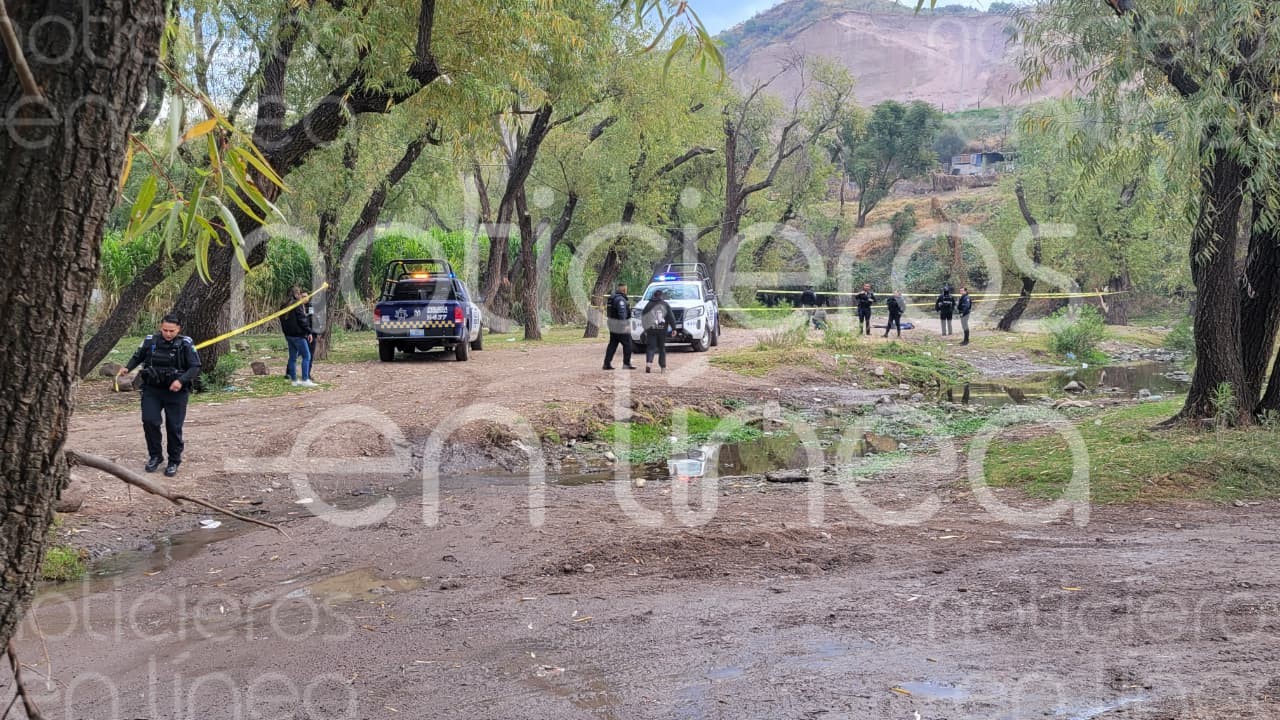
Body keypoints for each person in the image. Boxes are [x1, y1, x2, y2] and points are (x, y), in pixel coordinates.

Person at [117, 314, 201, 477]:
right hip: (152, 389)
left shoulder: (185, 343)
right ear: (160, 328)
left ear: (178, 330)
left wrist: (181, 381)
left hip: (176, 391)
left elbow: (195, 366)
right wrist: (127, 368)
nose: (168, 334)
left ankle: (174, 460)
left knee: (174, 427)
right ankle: (155, 455)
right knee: (150, 421)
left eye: (172, 331)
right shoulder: (151, 341)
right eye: (165, 330)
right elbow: (138, 356)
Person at [281, 286, 317, 387]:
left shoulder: (283, 305)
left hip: (289, 336)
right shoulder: (297, 305)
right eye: (300, 293)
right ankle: (305, 379)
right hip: (298, 335)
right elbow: (302, 320)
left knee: (292, 358)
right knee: (307, 356)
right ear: (297, 294)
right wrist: (309, 332)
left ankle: (294, 380)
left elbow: (283, 321)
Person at [603, 283, 636, 370]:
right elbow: (622, 313)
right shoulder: (620, 300)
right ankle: (626, 364)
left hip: (612, 324)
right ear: (624, 290)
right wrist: (624, 325)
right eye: (626, 289)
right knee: (628, 344)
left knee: (613, 344)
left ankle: (606, 363)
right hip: (620, 326)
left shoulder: (612, 298)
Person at [642, 289, 676, 374]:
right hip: (662, 330)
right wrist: (674, 328)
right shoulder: (665, 304)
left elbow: (643, 317)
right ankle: (663, 367)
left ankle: (649, 364)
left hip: (651, 329)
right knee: (661, 348)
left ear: (654, 296)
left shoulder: (649, 305)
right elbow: (671, 317)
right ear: (661, 296)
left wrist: (645, 328)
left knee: (650, 347)